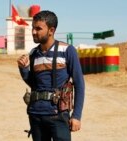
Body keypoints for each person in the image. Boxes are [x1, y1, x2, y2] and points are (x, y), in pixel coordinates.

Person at [17, 10, 85, 141]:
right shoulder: (33, 53)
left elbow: (79, 84)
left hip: (58, 115)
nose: (33, 32)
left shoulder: (67, 50)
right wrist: (23, 69)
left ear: (51, 30)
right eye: (33, 28)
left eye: (38, 28)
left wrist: (76, 116)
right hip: (36, 115)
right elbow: (34, 84)